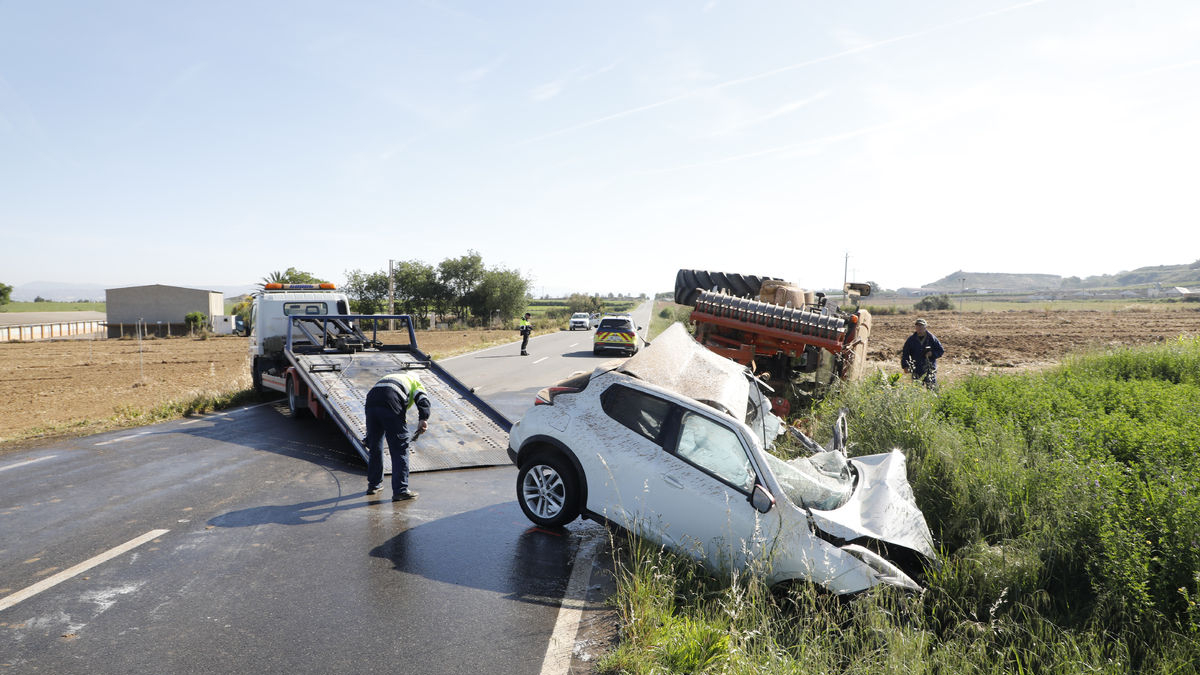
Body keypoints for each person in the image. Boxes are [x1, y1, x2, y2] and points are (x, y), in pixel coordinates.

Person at [364, 371, 431, 501]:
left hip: (371, 403)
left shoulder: (390, 377)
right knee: (399, 448)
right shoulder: (415, 382)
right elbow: (423, 399)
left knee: (375, 446)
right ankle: (400, 490)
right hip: (390, 402)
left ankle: (374, 485)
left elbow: (378, 397)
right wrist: (423, 418)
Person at [901, 318, 945, 389]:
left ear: (925, 327)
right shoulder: (911, 340)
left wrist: (932, 354)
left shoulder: (932, 338)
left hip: (929, 367)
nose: (919, 327)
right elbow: (905, 354)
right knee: (916, 389)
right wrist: (905, 366)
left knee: (932, 388)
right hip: (916, 367)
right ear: (915, 327)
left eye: (921, 325)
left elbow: (941, 350)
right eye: (918, 326)